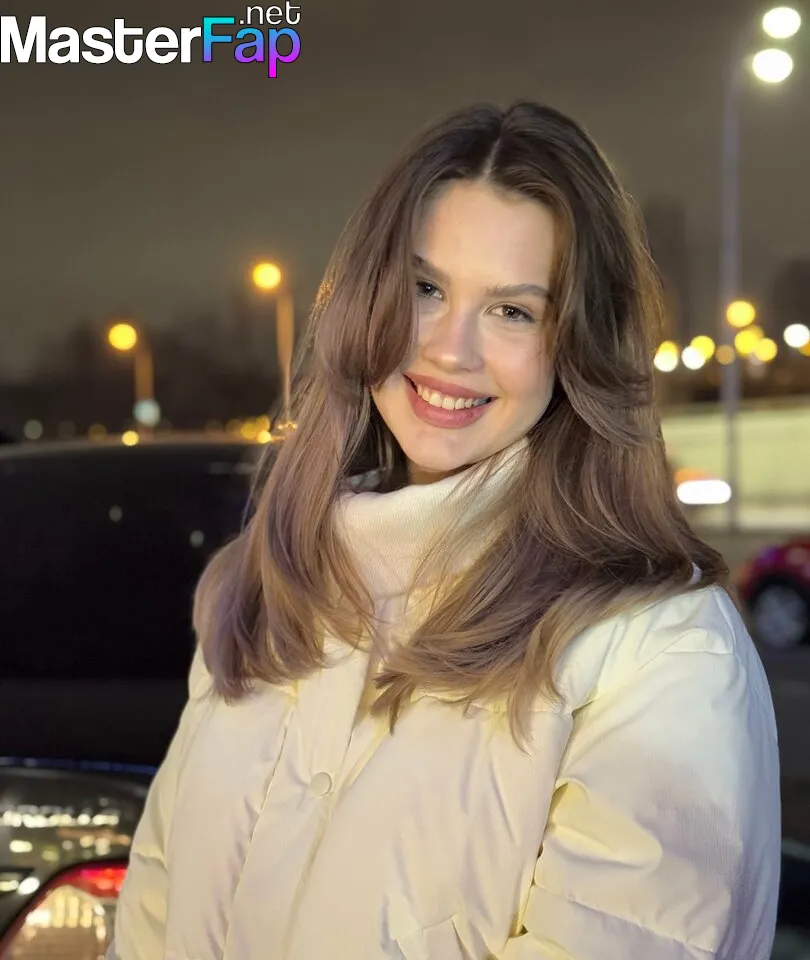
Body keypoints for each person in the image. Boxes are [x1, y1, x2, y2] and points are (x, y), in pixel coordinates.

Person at [109, 101, 781, 960]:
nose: (450, 349)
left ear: (578, 348)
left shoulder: (659, 652)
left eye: (514, 311)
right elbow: (155, 912)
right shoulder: (268, 589)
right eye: (424, 289)